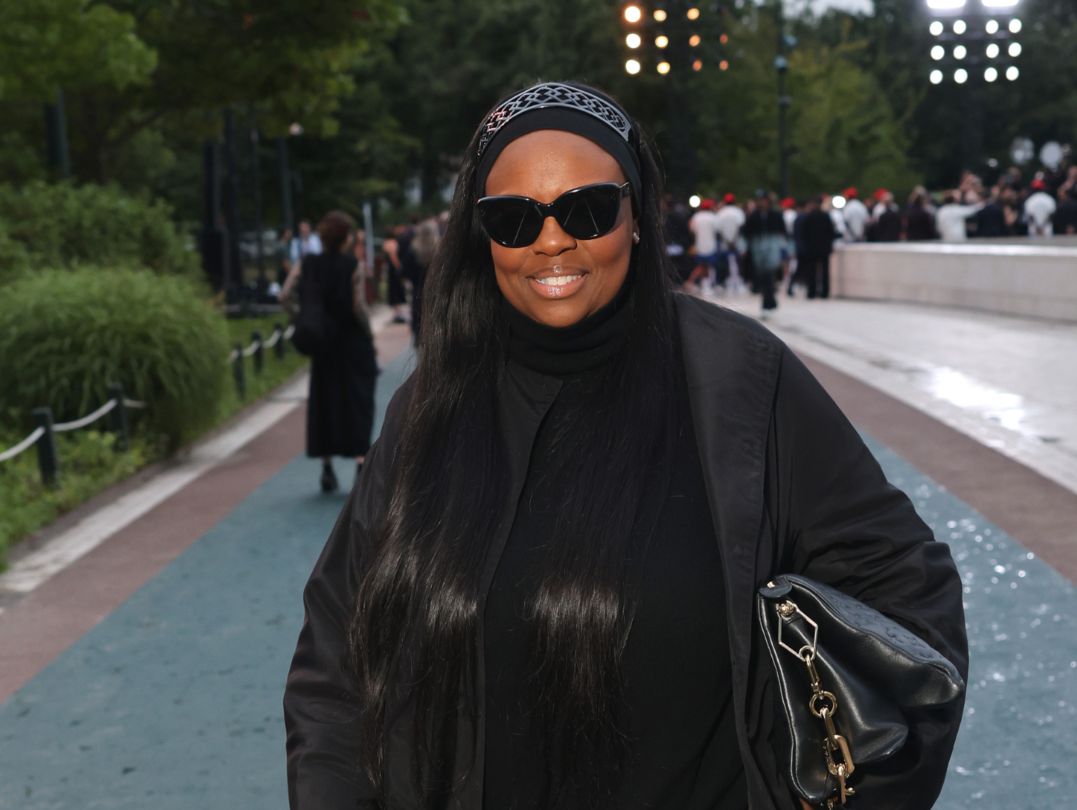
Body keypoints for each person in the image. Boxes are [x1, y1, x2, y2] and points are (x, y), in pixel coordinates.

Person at [284, 82, 966, 809]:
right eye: (513, 218)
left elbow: (905, 593)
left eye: (588, 209)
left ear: (637, 216)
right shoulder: (433, 405)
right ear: (482, 238)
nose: (551, 240)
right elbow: (337, 658)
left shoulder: (739, 381)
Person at [288, 211, 378, 493]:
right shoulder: (353, 265)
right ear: (346, 238)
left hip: (323, 342)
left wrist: (300, 319)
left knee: (324, 400)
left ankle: (326, 469)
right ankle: (360, 462)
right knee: (358, 400)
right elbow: (358, 306)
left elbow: (284, 294)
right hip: (352, 342)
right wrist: (369, 333)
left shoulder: (308, 263)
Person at [744, 189, 788, 313]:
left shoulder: (775, 215)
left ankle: (768, 299)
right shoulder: (753, 216)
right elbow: (747, 233)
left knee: (769, 272)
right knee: (763, 273)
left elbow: (782, 231)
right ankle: (768, 299)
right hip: (758, 247)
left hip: (772, 246)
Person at [795, 196, 835, 298]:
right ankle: (825, 292)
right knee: (824, 271)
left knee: (812, 271)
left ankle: (811, 292)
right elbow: (830, 232)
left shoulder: (809, 216)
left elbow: (805, 232)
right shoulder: (825, 216)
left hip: (812, 248)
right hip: (823, 248)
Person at [688, 198, 719, 291]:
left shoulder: (696, 217)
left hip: (699, 245)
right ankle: (705, 283)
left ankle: (701, 282)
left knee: (701, 265)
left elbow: (692, 230)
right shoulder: (713, 217)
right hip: (711, 245)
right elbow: (718, 230)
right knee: (709, 265)